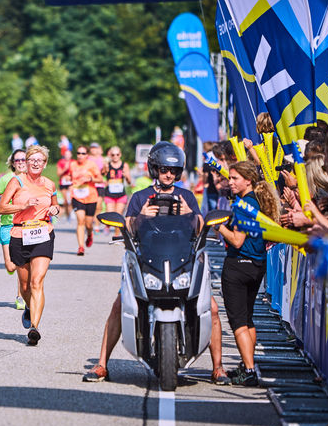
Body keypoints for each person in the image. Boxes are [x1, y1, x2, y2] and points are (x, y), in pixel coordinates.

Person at [84, 142, 229, 385]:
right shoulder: (140, 197)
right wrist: (141, 216)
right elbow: (126, 225)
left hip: (182, 262)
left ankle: (218, 368)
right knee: (119, 305)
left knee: (212, 308)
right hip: (147, 262)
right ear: (154, 169)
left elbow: (202, 228)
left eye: (173, 171)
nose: (168, 174)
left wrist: (190, 215)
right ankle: (102, 364)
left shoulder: (187, 196)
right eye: (163, 169)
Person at [216, 161, 280, 386]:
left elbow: (237, 239)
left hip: (239, 265)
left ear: (248, 180)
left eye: (234, 178)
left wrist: (218, 227)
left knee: (238, 322)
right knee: (248, 318)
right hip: (256, 265)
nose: (230, 182)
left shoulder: (244, 205)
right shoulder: (258, 200)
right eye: (229, 178)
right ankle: (248, 364)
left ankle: (250, 370)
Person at [0, 145, 59, 345]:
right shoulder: (16, 181)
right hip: (20, 233)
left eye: (39, 160)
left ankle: (34, 327)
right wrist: (22, 206)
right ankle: (28, 306)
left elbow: (56, 204)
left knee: (36, 281)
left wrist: (55, 209)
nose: (35, 163)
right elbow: (2, 207)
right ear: (26, 162)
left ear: (44, 164)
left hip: (43, 233)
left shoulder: (50, 184)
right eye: (32, 159)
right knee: (25, 285)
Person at [0, 149, 28, 311]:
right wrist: (5, 207)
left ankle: (21, 296)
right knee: (11, 266)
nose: (20, 162)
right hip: (7, 225)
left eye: (23, 159)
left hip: (26, 226)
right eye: (17, 160)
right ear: (12, 163)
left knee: (21, 264)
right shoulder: (6, 179)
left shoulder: (32, 179)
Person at [69, 145, 101, 255]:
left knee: (88, 224)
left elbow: (100, 179)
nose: (80, 155)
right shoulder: (72, 164)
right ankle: (81, 247)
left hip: (91, 196)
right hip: (77, 196)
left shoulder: (92, 165)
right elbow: (70, 177)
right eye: (78, 153)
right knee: (80, 220)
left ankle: (90, 233)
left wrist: (90, 179)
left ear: (87, 155)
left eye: (83, 153)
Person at [103, 146, 133, 236]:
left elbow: (129, 181)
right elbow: (101, 175)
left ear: (120, 155)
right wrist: (105, 178)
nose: (115, 156)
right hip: (109, 194)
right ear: (110, 155)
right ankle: (107, 225)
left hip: (121, 194)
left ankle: (116, 236)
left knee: (118, 215)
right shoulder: (107, 165)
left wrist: (126, 176)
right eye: (113, 155)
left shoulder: (125, 165)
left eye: (117, 154)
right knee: (110, 214)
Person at [89, 142, 107, 225]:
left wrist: (105, 169)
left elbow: (104, 173)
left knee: (98, 205)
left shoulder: (102, 159)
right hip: (90, 185)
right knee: (91, 205)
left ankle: (96, 224)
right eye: (92, 148)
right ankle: (90, 220)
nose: (93, 150)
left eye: (95, 148)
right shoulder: (87, 159)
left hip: (100, 185)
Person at [57, 149, 74, 221]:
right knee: (66, 201)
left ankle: (70, 213)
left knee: (71, 199)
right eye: (66, 154)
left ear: (71, 155)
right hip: (63, 183)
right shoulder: (61, 162)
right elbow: (58, 174)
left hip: (71, 182)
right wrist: (65, 169)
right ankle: (67, 214)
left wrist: (70, 176)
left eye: (69, 154)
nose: (67, 156)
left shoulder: (74, 162)